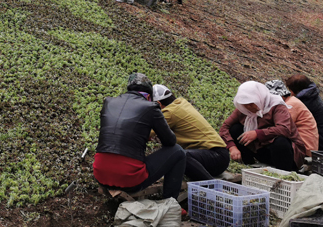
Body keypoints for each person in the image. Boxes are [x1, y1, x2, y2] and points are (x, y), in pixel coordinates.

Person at [94, 73, 188, 201]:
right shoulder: (151, 107)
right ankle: (170, 203)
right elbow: (170, 141)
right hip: (129, 178)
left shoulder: (109, 102)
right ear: (149, 96)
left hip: (100, 174)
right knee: (178, 152)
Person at [219, 81, 307, 171]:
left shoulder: (276, 105)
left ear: (259, 97)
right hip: (262, 150)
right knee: (235, 129)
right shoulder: (243, 109)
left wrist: (257, 133)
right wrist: (232, 147)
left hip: (286, 154)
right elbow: (224, 127)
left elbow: (284, 129)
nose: (249, 107)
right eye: (245, 105)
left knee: (280, 141)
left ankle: (283, 172)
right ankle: (248, 163)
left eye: (251, 103)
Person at [152, 85, 230, 180]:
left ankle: (211, 186)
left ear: (158, 104)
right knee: (175, 153)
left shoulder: (170, 112)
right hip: (216, 155)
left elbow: (147, 132)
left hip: (216, 157)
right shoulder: (181, 103)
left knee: (180, 155)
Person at [265, 80, 319, 157]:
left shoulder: (290, 105)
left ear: (281, 96)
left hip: (303, 149)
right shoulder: (291, 101)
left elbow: (281, 127)